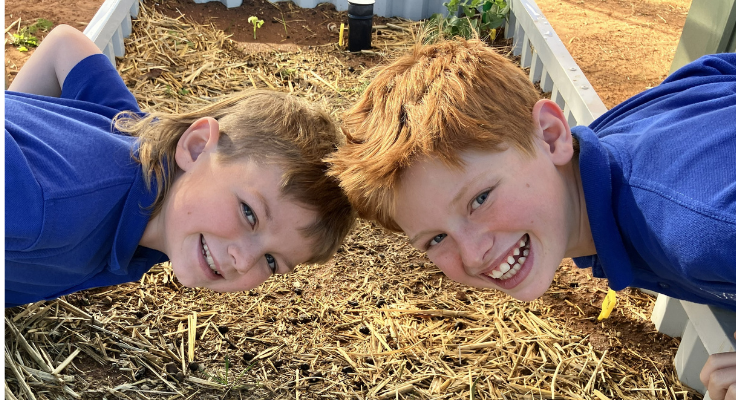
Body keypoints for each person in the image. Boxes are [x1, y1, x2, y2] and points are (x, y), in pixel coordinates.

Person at [327, 37, 736, 399]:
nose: (472, 255)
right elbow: (714, 71)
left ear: (552, 134)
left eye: (480, 199)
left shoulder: (699, 227)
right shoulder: (605, 168)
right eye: (435, 239)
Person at [6, 25, 355, 308]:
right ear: (196, 146)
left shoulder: (133, 138)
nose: (243, 261)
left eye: (271, 262)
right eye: (249, 214)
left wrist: (19, 112)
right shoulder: (40, 205)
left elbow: (66, 45)